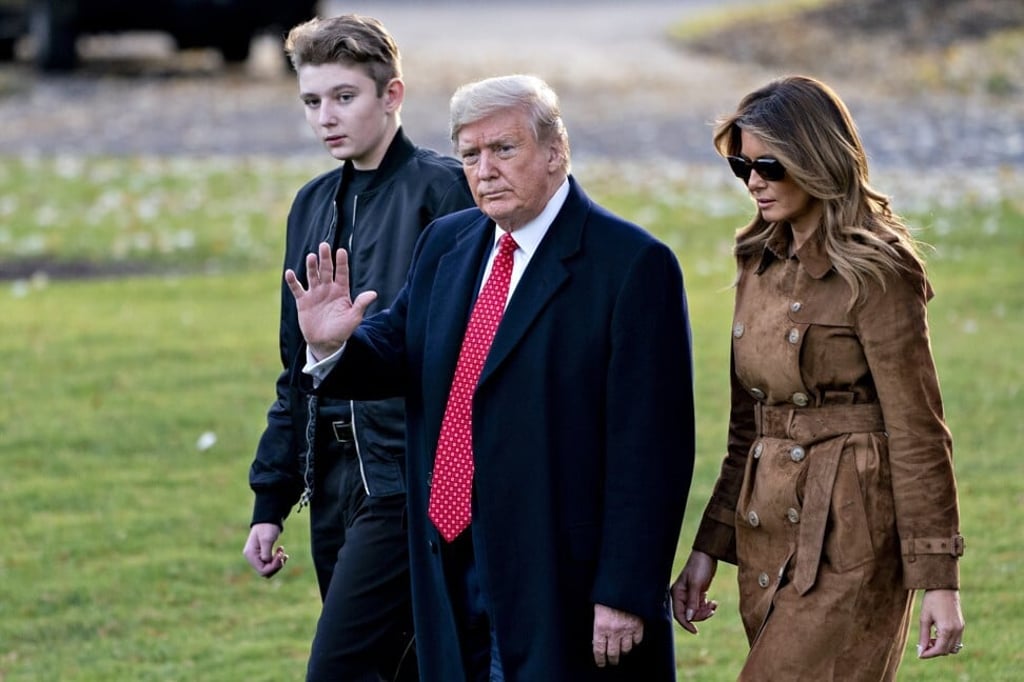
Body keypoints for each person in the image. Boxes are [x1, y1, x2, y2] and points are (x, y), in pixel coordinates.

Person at [284, 74, 695, 681]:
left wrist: (626, 591)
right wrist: (331, 345)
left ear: (555, 151)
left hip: (559, 572)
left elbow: (652, 451)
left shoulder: (632, 265)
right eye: (469, 155)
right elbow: (398, 349)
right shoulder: (448, 241)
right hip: (448, 561)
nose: (484, 170)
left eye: (504, 149)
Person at [670, 75, 965, 680]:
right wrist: (707, 549)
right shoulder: (757, 260)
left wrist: (938, 579)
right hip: (768, 526)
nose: (754, 181)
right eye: (741, 165)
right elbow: (743, 428)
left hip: (853, 532)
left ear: (816, 157)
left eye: (770, 165)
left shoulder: (878, 269)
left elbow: (918, 430)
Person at [241, 14, 475, 682]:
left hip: (412, 479)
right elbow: (299, 369)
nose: (325, 118)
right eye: (312, 101)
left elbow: (474, 353)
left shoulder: (449, 190)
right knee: (397, 670)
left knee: (338, 668)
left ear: (391, 95)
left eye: (345, 97)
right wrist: (271, 500)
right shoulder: (311, 203)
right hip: (334, 481)